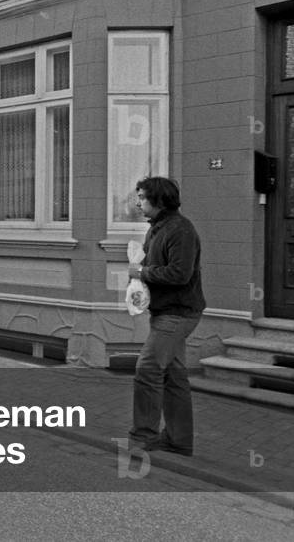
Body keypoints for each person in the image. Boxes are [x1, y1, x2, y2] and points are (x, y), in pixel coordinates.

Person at [127, 177, 205, 457]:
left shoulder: (180, 230)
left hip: (179, 312)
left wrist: (142, 274)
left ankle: (143, 437)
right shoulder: (156, 229)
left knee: (147, 369)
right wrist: (138, 286)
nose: (138, 203)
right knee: (174, 375)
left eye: (142, 197)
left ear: (159, 200)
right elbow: (150, 266)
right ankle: (178, 440)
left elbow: (179, 274)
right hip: (164, 311)